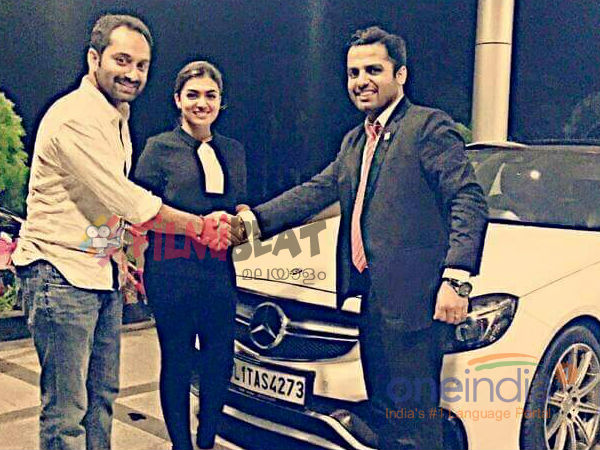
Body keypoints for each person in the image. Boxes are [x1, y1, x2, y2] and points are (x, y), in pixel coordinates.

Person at [236, 26, 487, 449]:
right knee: (385, 419)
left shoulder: (427, 127)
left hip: (415, 305)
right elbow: (316, 190)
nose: (361, 81)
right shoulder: (355, 140)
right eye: (354, 73)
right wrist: (251, 222)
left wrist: (457, 278)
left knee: (414, 424)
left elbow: (467, 198)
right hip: (371, 303)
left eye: (373, 70)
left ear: (400, 75)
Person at [12, 15, 231, 450]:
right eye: (122, 60)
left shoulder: (115, 116)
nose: (132, 73)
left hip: (99, 275)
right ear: (94, 59)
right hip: (60, 275)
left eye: (142, 65)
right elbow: (127, 200)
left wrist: (117, 257)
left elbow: (99, 209)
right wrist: (198, 227)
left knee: (101, 399)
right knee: (66, 413)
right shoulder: (75, 117)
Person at [134, 61, 247, 450]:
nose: (202, 103)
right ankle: (180, 445)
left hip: (218, 270)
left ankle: (207, 436)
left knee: (220, 359)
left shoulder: (233, 150)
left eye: (210, 95)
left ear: (221, 101)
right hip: (171, 269)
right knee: (178, 360)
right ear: (177, 100)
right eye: (193, 95)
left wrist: (244, 220)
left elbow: (238, 204)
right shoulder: (158, 147)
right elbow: (140, 209)